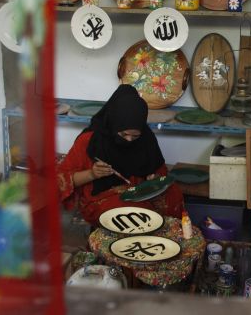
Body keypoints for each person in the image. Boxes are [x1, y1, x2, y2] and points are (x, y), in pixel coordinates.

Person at [57, 84, 183, 224]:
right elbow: (60, 180)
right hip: (103, 196)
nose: (129, 140)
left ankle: (170, 237)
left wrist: (155, 178)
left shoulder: (146, 138)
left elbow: (161, 174)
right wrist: (92, 174)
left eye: (135, 136)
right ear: (113, 123)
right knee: (131, 212)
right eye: (124, 134)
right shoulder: (90, 141)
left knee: (173, 194)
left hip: (140, 191)